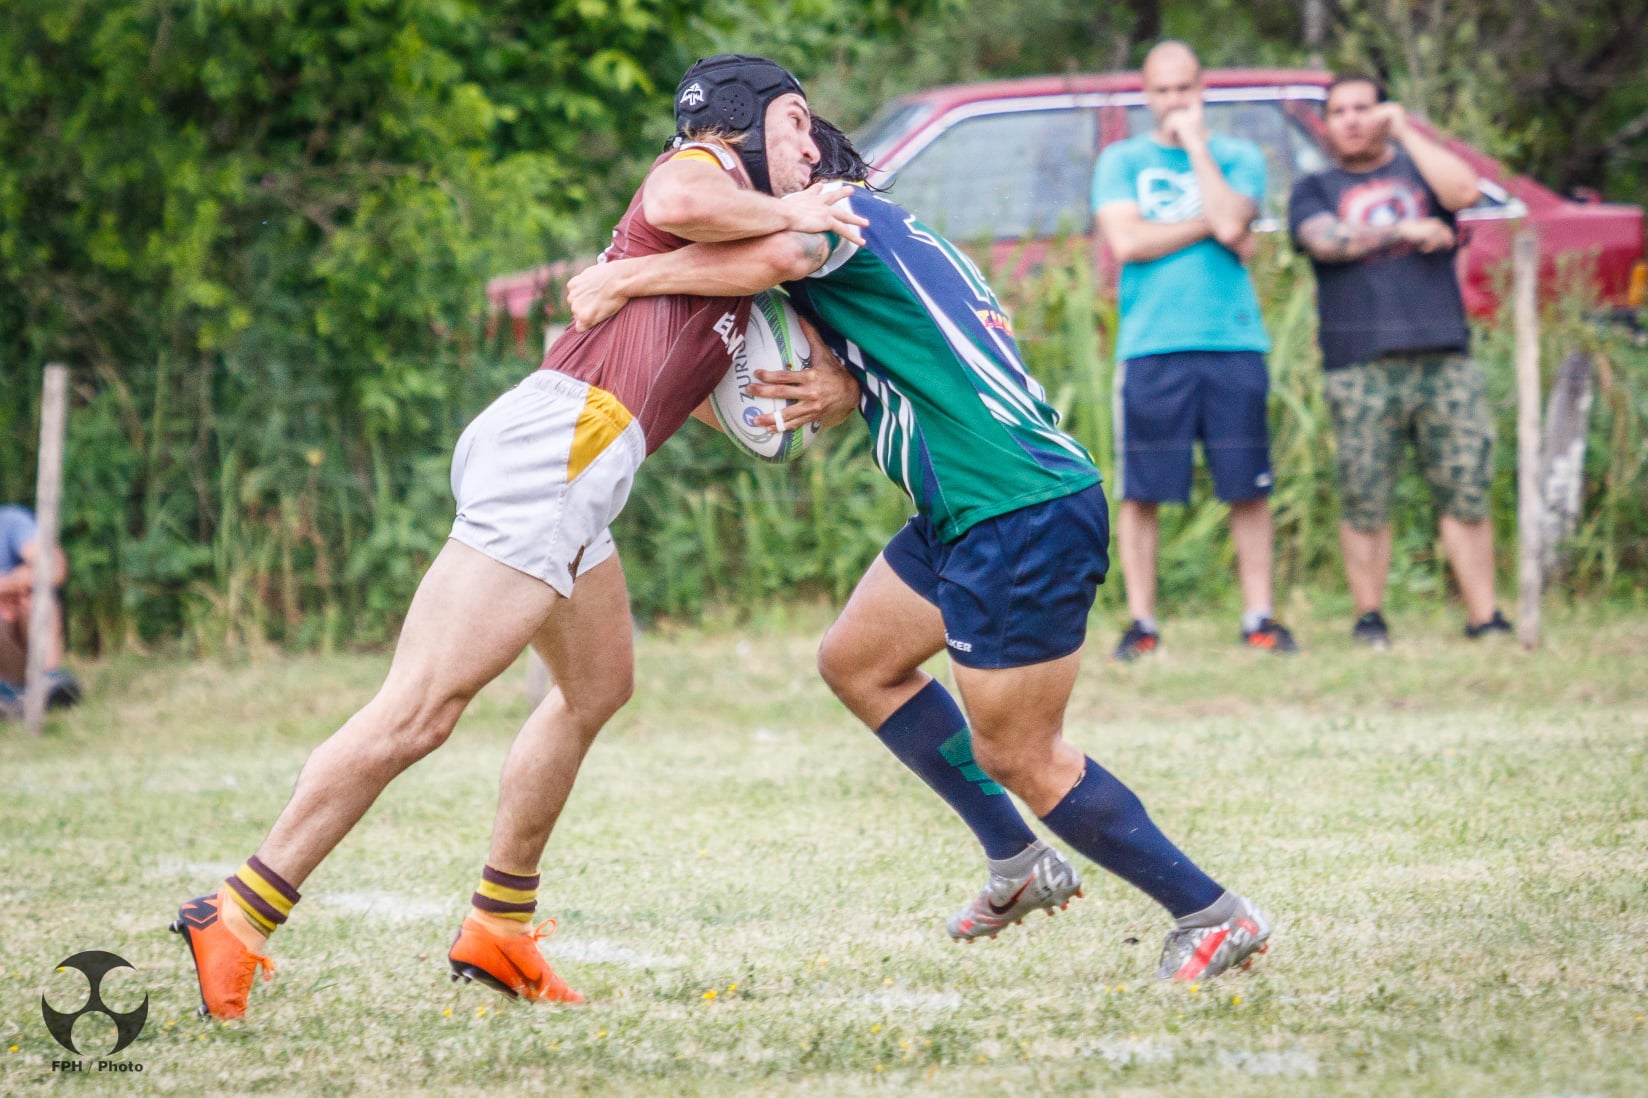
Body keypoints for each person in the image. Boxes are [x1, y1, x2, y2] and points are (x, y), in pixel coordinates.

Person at [169, 54, 869, 1021]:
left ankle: (499, 928)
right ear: (744, 123)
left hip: (578, 458)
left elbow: (700, 369)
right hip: (560, 451)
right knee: (419, 711)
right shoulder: (703, 167)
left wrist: (813, 389)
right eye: (797, 121)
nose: (809, 144)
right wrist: (791, 220)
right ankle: (238, 914)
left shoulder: (730, 252)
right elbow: (694, 198)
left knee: (596, 686)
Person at [566, 116, 1272, 982]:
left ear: (813, 163)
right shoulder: (893, 234)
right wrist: (853, 378)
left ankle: (1211, 913)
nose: (758, 183)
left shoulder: (837, 218)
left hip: (1013, 506)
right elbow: (917, 343)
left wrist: (624, 276)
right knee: (858, 661)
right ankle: (1021, 863)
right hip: (968, 504)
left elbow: (737, 241)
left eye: (773, 163)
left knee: (1020, 752)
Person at [1091, 41, 1297, 661]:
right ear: (1146, 94)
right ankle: (1143, 623)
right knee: (1143, 491)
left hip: (1233, 341)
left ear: (1201, 89)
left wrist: (1200, 149)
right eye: (1162, 90)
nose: (1174, 101)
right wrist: (1214, 221)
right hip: (1152, 346)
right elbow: (1127, 241)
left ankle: (1258, 617)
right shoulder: (1120, 160)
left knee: (1247, 486)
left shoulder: (1237, 156)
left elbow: (1238, 224)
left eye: (1184, 88)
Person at [1287, 75, 1511, 646]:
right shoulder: (1313, 187)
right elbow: (1323, 240)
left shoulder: (1418, 170)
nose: (1354, 120)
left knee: (1465, 487)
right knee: (1364, 494)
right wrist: (1403, 228)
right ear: (1327, 123)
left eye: (1365, 108)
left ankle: (1485, 617)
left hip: (1445, 356)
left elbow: (1464, 193)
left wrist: (1408, 131)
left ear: (1383, 112)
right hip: (1358, 364)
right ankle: (1370, 618)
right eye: (1340, 112)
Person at [0, 503, 81, 717]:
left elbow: (54, 567)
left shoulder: (10, 521)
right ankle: (11, 696)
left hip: (20, 638)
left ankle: (50, 681)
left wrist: (15, 586)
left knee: (37, 600)